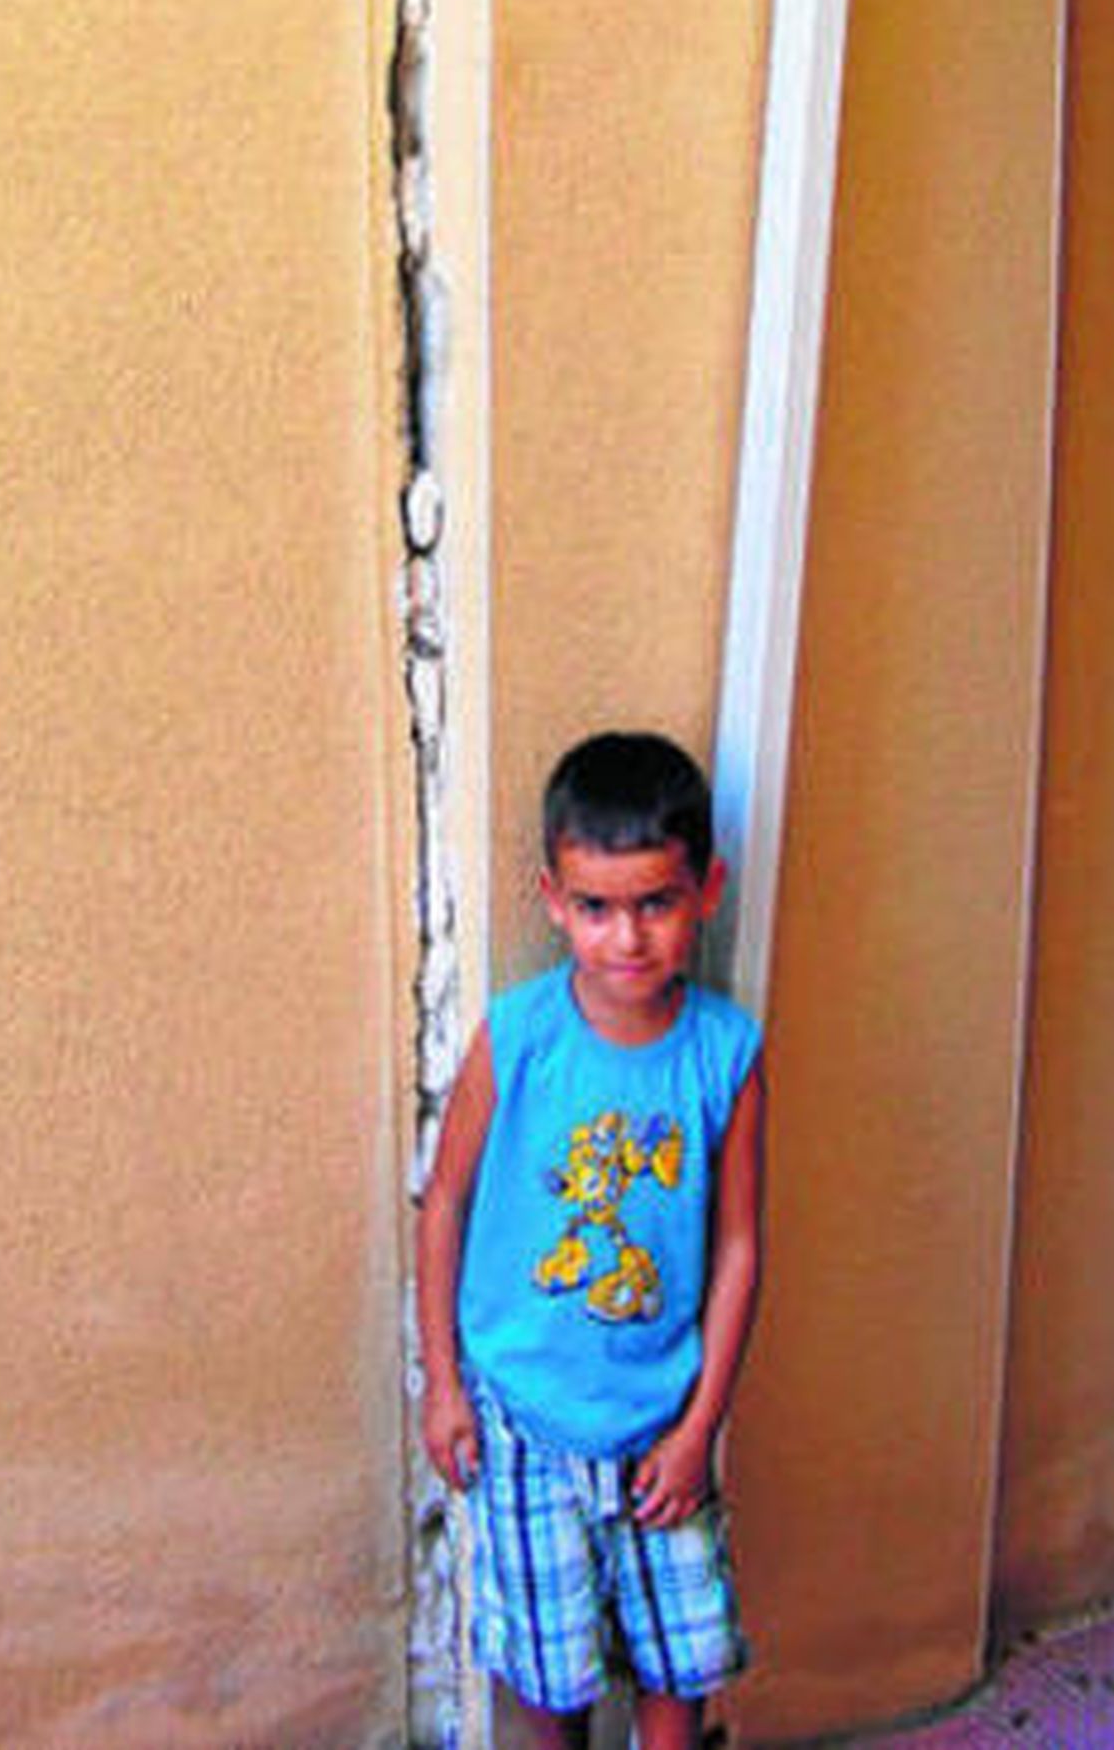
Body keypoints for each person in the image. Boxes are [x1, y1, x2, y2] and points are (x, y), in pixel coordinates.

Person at [417, 731, 765, 1750]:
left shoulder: (724, 1050)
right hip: (520, 1423)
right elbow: (443, 1201)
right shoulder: (517, 1034)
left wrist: (701, 1425)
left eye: (655, 902)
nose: (626, 938)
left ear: (705, 889)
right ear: (552, 899)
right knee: (549, 1669)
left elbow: (740, 1245)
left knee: (681, 1655)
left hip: (662, 1420)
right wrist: (444, 1381)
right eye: (596, 908)